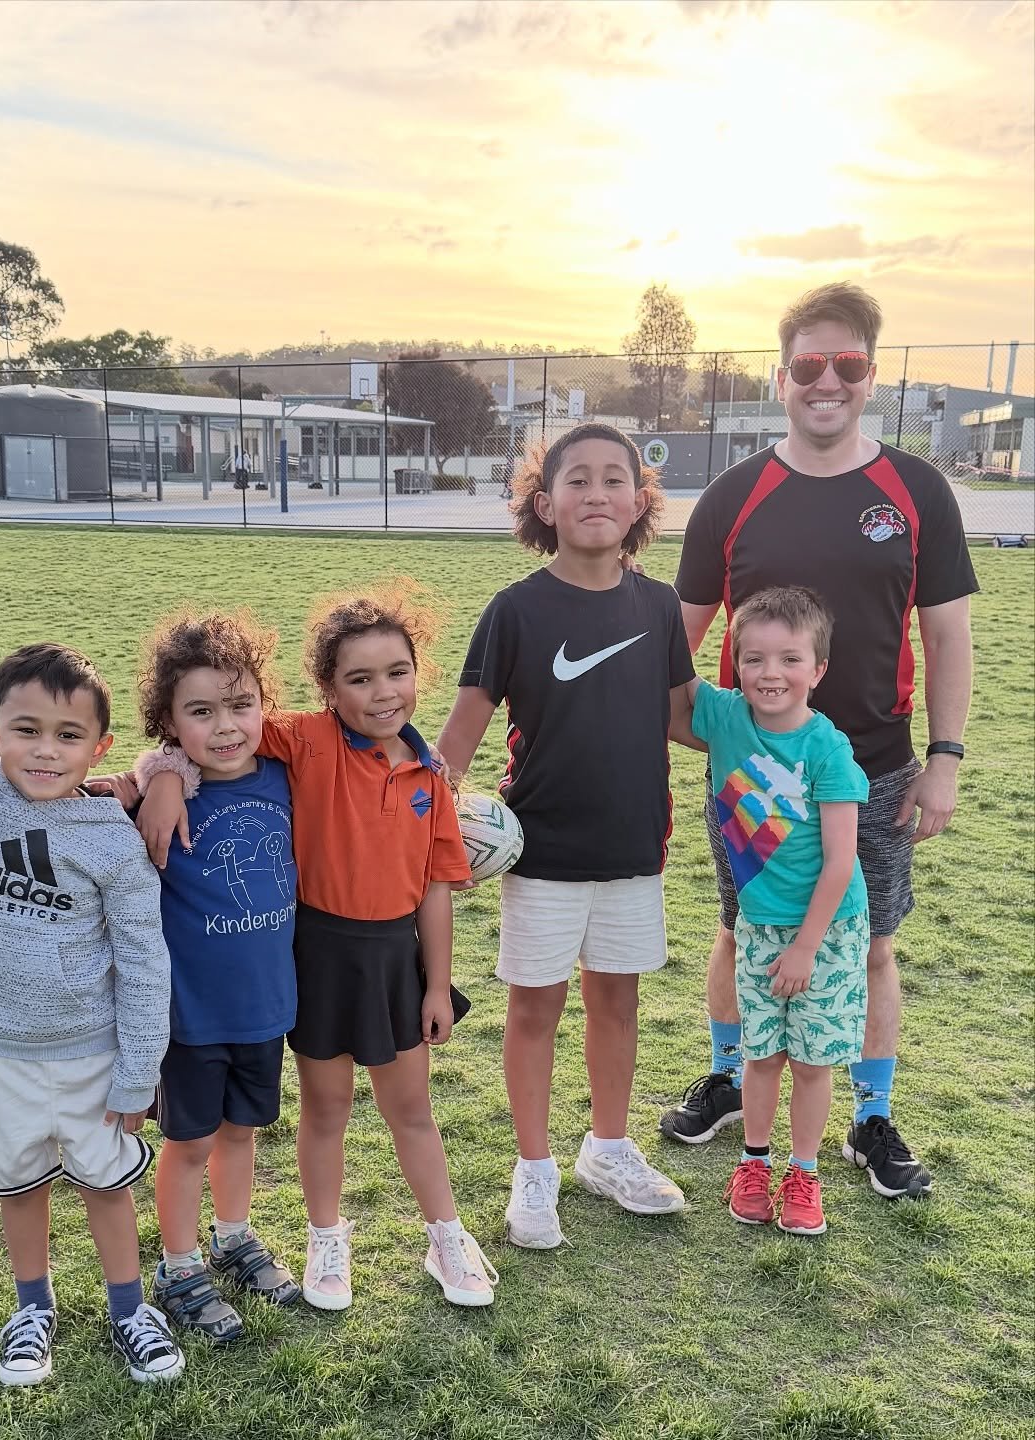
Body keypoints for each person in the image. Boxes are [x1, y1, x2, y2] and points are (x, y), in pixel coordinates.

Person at [659, 283, 977, 1200]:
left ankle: (870, 1119)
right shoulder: (734, 493)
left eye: (846, 365)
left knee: (871, 942)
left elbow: (947, 636)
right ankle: (728, 1074)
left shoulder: (916, 490)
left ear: (871, 375)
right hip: (748, 783)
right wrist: (692, 739)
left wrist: (944, 759)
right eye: (808, 365)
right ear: (783, 373)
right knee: (738, 929)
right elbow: (678, 641)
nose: (825, 382)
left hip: (872, 771)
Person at [138, 585, 497, 1313]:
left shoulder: (433, 777)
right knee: (325, 1110)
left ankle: (447, 1236)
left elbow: (433, 886)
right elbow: (199, 733)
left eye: (396, 671)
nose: (382, 691)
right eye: (358, 679)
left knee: (413, 1110)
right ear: (327, 690)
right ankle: (326, 1238)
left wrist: (437, 985)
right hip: (315, 955)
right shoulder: (302, 739)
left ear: (418, 671)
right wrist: (164, 779)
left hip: (397, 960)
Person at [0, 643, 184, 1387]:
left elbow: (147, 961)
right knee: (18, 1184)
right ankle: (33, 1310)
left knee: (105, 1184)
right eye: (25, 730)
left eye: (67, 736)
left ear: (100, 747)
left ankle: (129, 1310)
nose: (46, 751)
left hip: (91, 1051)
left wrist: (137, 1071)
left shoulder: (112, 840)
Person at [435, 421, 691, 1248]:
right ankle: (534, 1171)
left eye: (615, 478)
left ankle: (607, 1150)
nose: (597, 493)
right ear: (544, 503)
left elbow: (685, 717)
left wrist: (783, 734)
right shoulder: (515, 609)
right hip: (541, 852)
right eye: (576, 479)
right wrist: (417, 817)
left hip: (632, 847)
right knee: (535, 1009)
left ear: (639, 500)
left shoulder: (657, 604)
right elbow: (457, 743)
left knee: (617, 1001)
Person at [671, 587, 870, 1236]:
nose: (770, 674)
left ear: (817, 671)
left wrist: (807, 948)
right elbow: (666, 667)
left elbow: (841, 862)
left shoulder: (827, 750)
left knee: (812, 1063)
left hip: (829, 930)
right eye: (753, 659)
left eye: (789, 659)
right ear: (735, 665)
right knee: (761, 1055)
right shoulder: (724, 718)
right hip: (759, 927)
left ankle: (803, 1175)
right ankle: (753, 1164)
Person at [128, 612, 301, 1344]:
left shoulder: (290, 775)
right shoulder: (163, 789)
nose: (227, 727)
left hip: (265, 1007)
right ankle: (177, 1265)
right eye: (201, 712)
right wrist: (159, 773)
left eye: (241, 705)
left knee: (241, 1132)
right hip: (190, 1017)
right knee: (190, 1144)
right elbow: (107, 776)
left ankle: (233, 1236)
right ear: (168, 723)